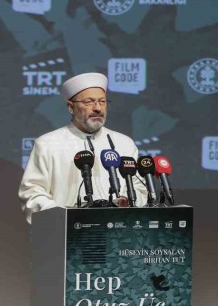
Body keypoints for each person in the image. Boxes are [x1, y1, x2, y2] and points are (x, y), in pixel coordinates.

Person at [18, 72, 147, 223]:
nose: (98, 108)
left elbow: (139, 187)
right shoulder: (48, 143)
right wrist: (66, 217)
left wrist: (125, 201)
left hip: (117, 228)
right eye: (89, 102)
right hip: (65, 230)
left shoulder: (124, 143)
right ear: (71, 107)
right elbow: (32, 193)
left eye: (102, 101)